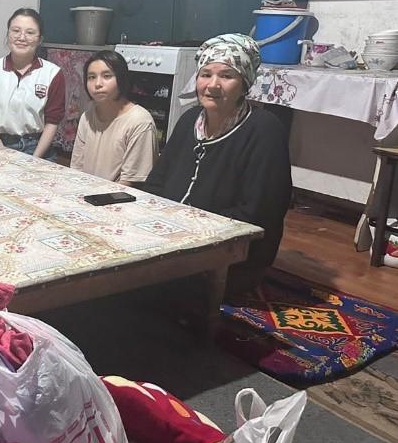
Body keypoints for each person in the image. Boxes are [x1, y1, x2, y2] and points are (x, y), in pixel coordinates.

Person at [144, 34, 292, 269]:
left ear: (244, 84)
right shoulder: (189, 120)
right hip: (169, 235)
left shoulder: (264, 130)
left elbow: (259, 211)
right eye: (205, 75)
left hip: (229, 253)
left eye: (226, 76)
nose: (213, 85)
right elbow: (156, 183)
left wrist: (188, 230)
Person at [0, 7, 65, 159]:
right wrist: (4, 155)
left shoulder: (53, 73)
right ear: (8, 34)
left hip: (39, 148)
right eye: (16, 31)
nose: (22, 37)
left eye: (30, 32)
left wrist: (34, 159)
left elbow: (52, 121)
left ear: (40, 39)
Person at [70, 50, 157, 184]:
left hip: (118, 195)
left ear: (121, 79)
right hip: (85, 191)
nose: (97, 84)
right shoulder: (87, 117)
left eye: (107, 76)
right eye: (91, 77)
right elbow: (76, 168)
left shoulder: (140, 121)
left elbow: (130, 183)